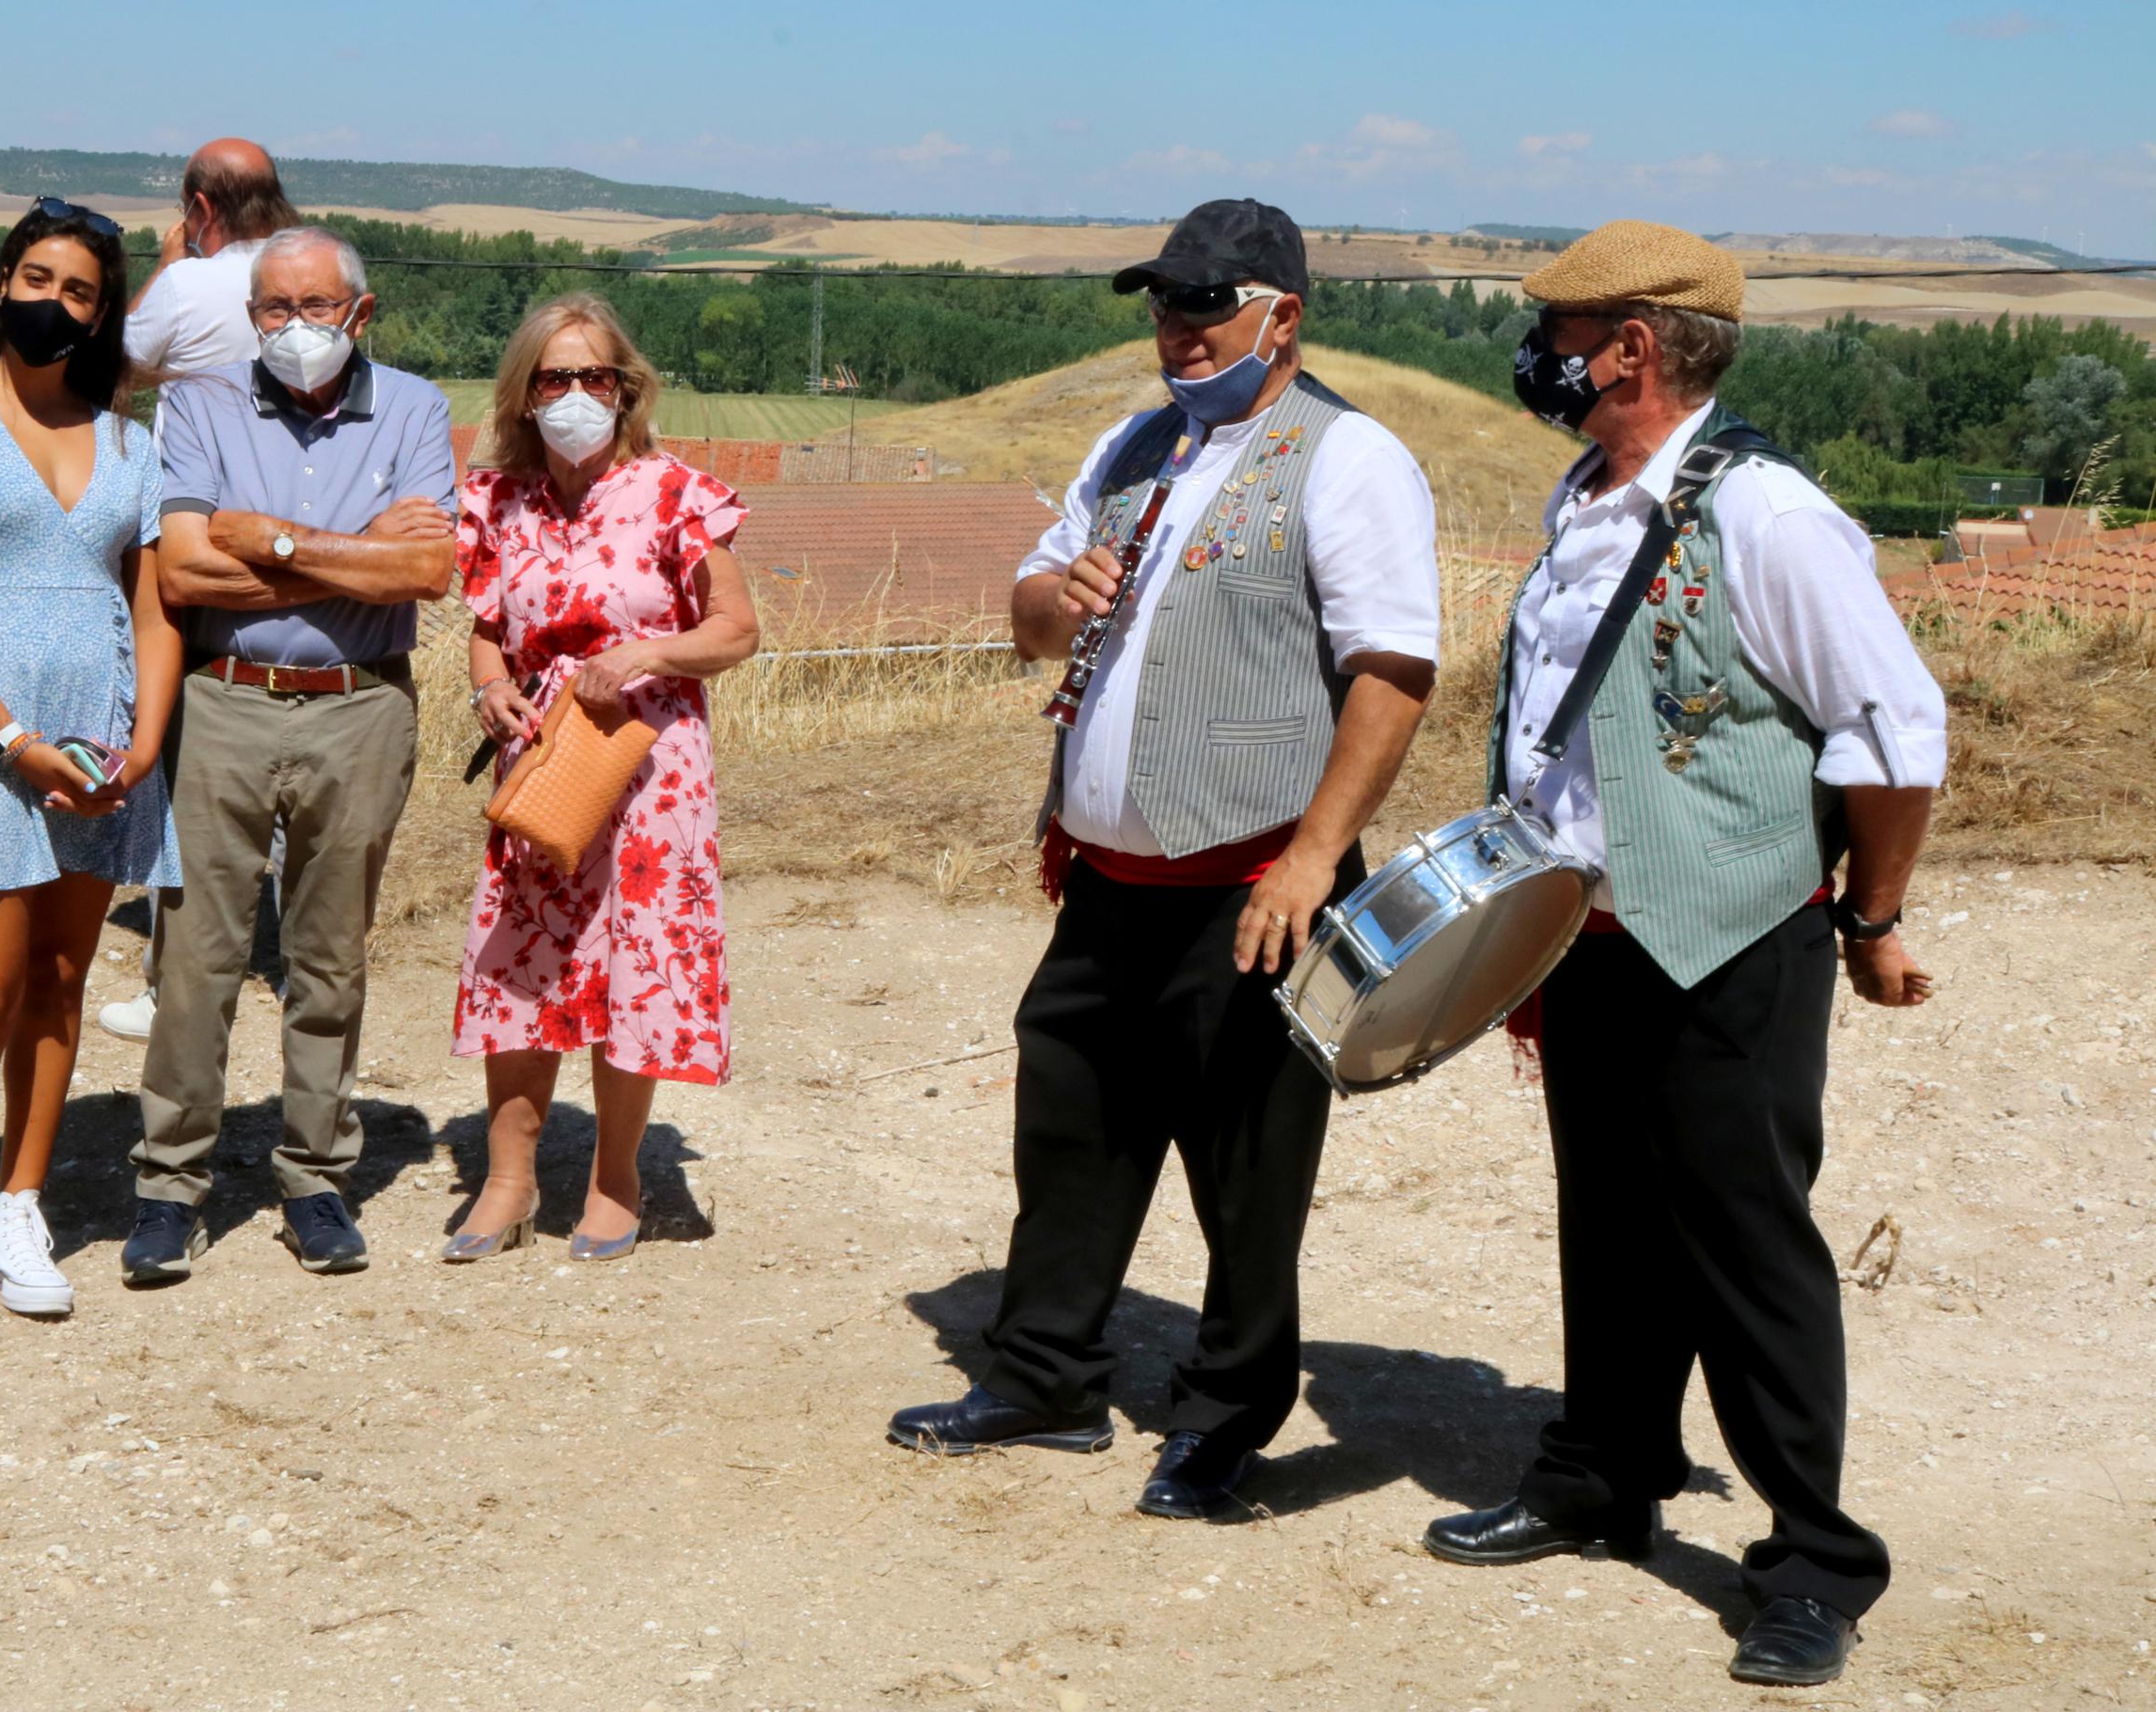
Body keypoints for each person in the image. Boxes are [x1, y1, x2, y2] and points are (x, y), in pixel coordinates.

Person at [1421, 221, 1944, 1690]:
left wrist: (1875, 915)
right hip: (1579, 925)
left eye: (1562, 330)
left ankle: (1815, 1563)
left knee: (1745, 1242)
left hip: (1728, 928)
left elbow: (1894, 730)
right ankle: (1603, 1473)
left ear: (1633, 349)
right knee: (1612, 1215)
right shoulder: (1585, 494)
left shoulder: (1769, 514)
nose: (1542, 355)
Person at [885, 199, 1442, 1523]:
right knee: (1070, 1122)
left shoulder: (1349, 459)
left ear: (1282, 317)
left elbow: (1395, 672)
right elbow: (1026, 621)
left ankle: (1226, 1418)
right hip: (1108, 878)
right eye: (1164, 306)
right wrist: (1048, 596)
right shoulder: (1133, 443)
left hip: (1256, 884)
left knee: (1247, 1165)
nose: (1179, 333)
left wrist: (1314, 860)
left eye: (1208, 308)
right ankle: (1045, 1375)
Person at [123, 226, 455, 1285]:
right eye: (274, 308)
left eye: (317, 308)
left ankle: (315, 1176)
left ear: (359, 313)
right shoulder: (203, 400)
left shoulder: (413, 406)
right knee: (195, 958)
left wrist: (266, 538)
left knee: (328, 953)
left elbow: (433, 566)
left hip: (360, 710)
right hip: (225, 703)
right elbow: (181, 573)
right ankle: (170, 1184)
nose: (295, 328)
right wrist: (359, 557)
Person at [0, 198, 182, 1339]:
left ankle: (23, 1204)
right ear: (4, 277)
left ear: (101, 313)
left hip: (105, 744)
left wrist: (146, 738)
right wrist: (12, 738)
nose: (53, 302)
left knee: (60, 981)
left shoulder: (130, 443)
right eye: (38, 277)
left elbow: (154, 611)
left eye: (80, 290)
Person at [447, 295, 759, 1264]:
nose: (577, 393)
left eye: (596, 377)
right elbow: (489, 629)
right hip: (543, 760)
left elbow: (736, 629)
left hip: (649, 765)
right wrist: (489, 690)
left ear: (627, 390)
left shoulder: (677, 493)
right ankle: (506, 1179)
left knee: (634, 957)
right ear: (525, 393)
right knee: (519, 960)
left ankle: (617, 1177)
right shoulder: (496, 499)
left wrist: (648, 651)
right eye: (555, 377)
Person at [101, 138, 303, 1044]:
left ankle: (169, 980)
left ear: (199, 206)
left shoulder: (190, 284)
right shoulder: (313, 273)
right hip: (300, 540)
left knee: (187, 767)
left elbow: (117, 363)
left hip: (195, 533)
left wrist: (166, 262)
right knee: (302, 760)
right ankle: (303, 963)